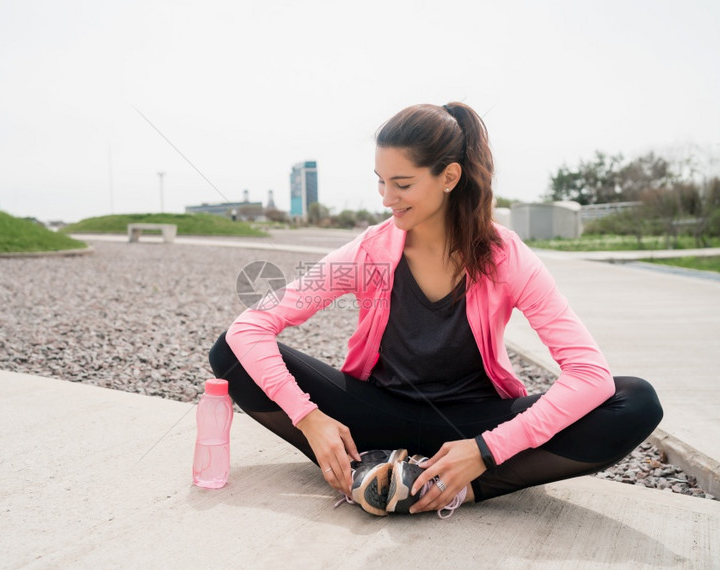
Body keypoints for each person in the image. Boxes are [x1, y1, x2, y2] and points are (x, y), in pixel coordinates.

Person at [209, 102, 663, 518]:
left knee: (636, 401)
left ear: (449, 176)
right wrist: (310, 419)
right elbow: (249, 327)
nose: (387, 198)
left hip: (471, 423)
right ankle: (375, 468)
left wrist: (486, 449)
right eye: (381, 182)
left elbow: (589, 373)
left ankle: (452, 483)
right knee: (228, 356)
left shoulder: (507, 257)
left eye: (402, 183)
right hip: (376, 415)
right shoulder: (368, 253)